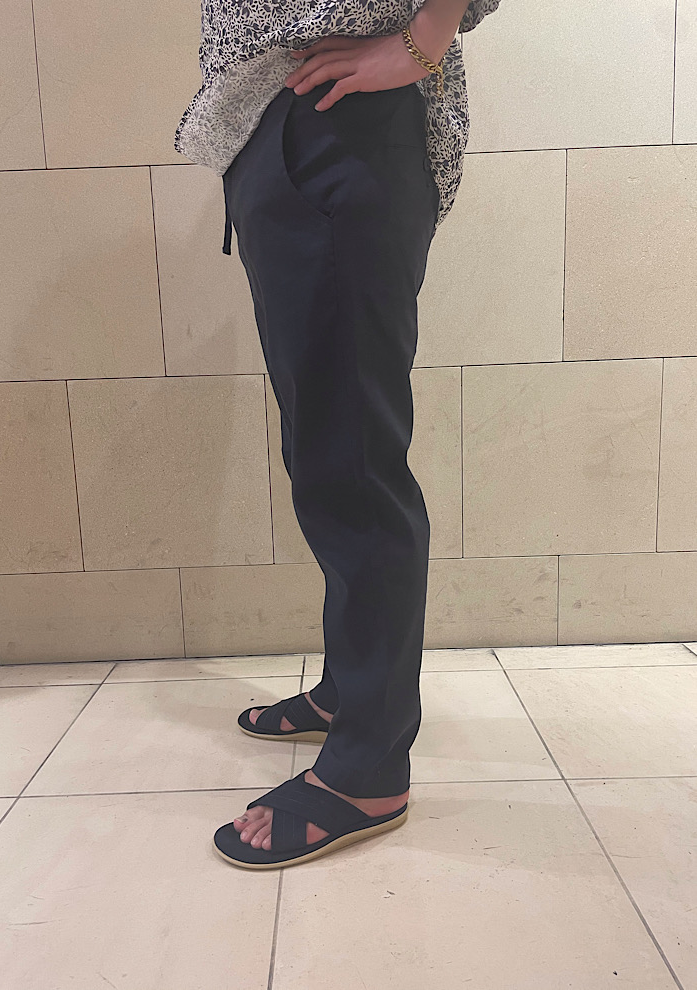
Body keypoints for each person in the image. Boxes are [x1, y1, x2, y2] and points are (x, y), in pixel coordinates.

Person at [174, 0, 502, 869]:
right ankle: (351, 693)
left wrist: (427, 37)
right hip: (281, 121)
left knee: (353, 465)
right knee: (325, 449)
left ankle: (368, 770)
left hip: (347, 122)